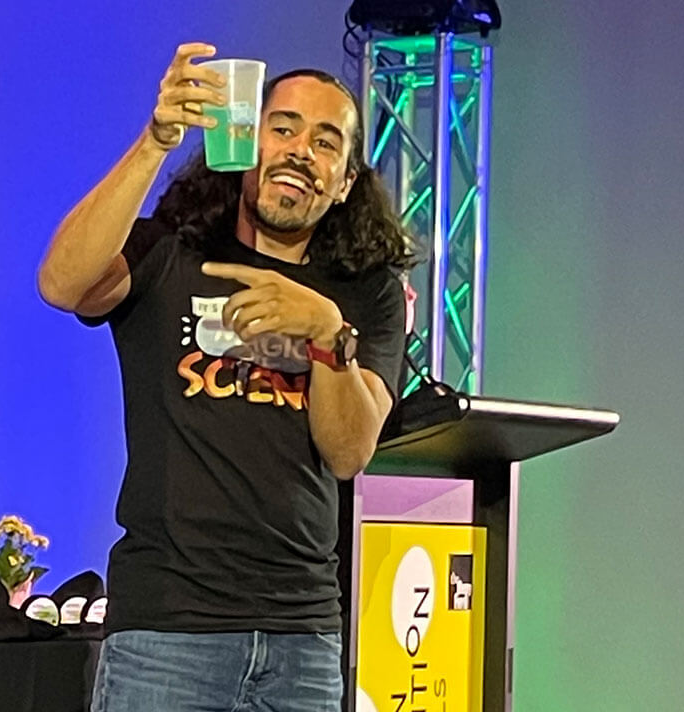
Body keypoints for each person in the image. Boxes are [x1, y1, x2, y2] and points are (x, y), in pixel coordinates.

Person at [37, 42, 416, 712]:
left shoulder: (366, 292)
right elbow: (61, 283)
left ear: (345, 181)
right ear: (247, 140)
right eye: (284, 128)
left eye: (327, 143)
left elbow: (350, 452)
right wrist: (157, 140)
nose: (302, 150)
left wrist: (329, 337)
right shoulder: (169, 251)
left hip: (302, 639)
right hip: (168, 630)